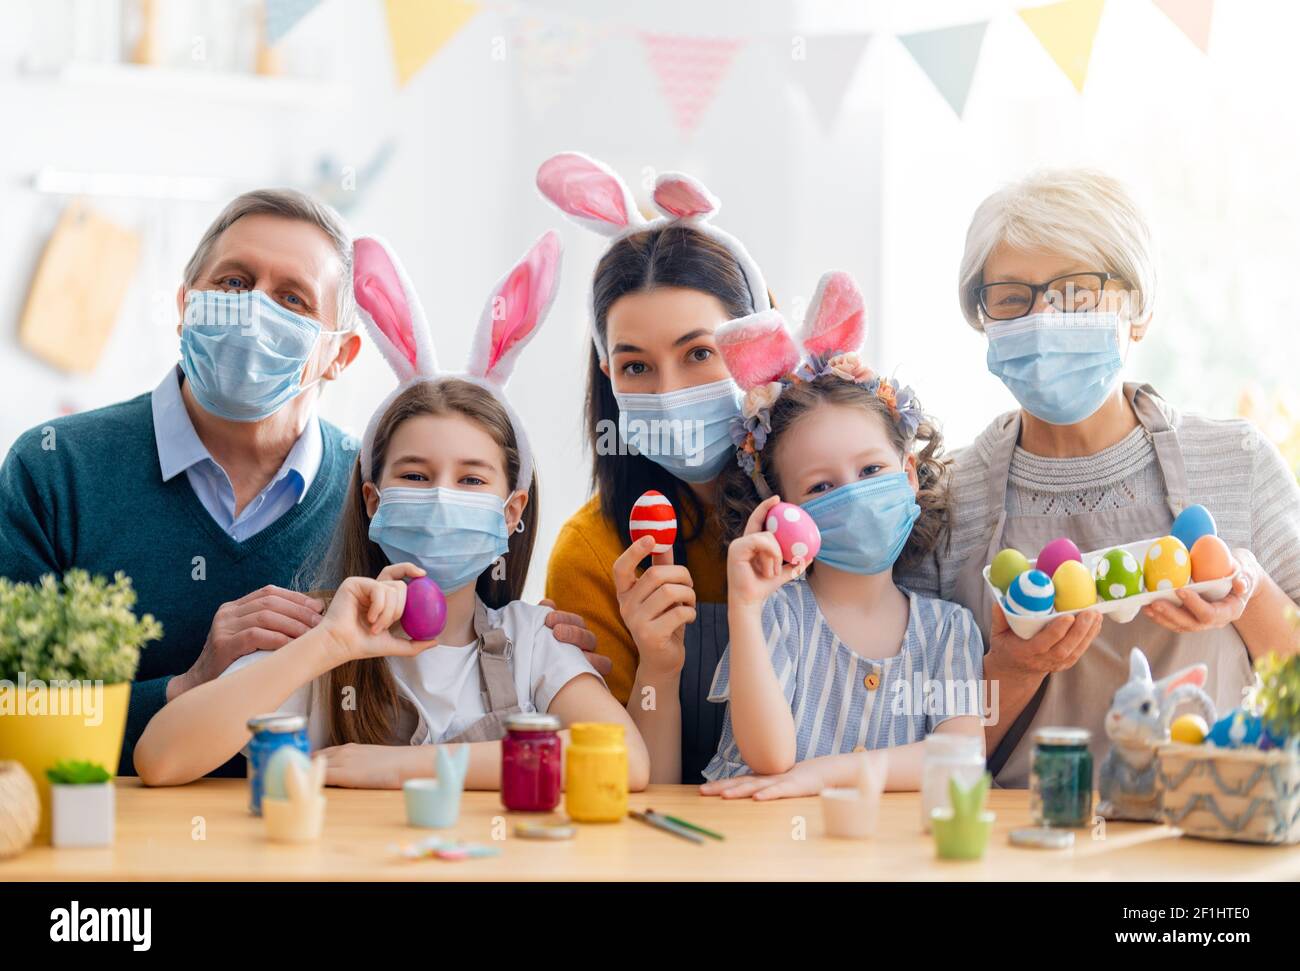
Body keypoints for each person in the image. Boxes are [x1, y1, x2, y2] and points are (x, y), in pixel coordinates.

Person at [0, 189, 593, 776]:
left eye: (293, 299)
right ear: (184, 305)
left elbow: (462, 626)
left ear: (343, 354)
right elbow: (11, 710)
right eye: (233, 283)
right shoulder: (56, 469)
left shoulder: (390, 501)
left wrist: (542, 641)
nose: (255, 310)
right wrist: (188, 683)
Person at [134, 234, 649, 790]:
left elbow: (624, 760)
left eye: (471, 479)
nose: (441, 496)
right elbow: (161, 759)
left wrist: (403, 767)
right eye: (415, 475)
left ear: (511, 510)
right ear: (373, 499)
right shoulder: (323, 634)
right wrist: (328, 646)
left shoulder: (531, 642)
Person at [896, 169, 1300, 786]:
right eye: (1012, 297)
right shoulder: (948, 496)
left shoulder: (1235, 461)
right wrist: (1011, 668)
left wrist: (1246, 587)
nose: (1043, 318)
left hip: (1202, 840)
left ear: (1138, 312)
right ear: (984, 321)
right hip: (1015, 853)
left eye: (1078, 293)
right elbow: (904, 742)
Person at [695, 271, 983, 799]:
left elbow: (961, 759)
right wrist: (744, 606)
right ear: (780, 510)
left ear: (911, 476)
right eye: (821, 486)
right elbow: (769, 758)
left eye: (871, 471)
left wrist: (826, 774)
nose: (852, 495)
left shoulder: (949, 631)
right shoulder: (777, 616)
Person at [538, 153, 772, 782]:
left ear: (758, 347)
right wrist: (656, 671)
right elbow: (624, 784)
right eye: (637, 365)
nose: (670, 392)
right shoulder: (591, 553)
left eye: (700, 352)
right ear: (608, 376)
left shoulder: (831, 498)